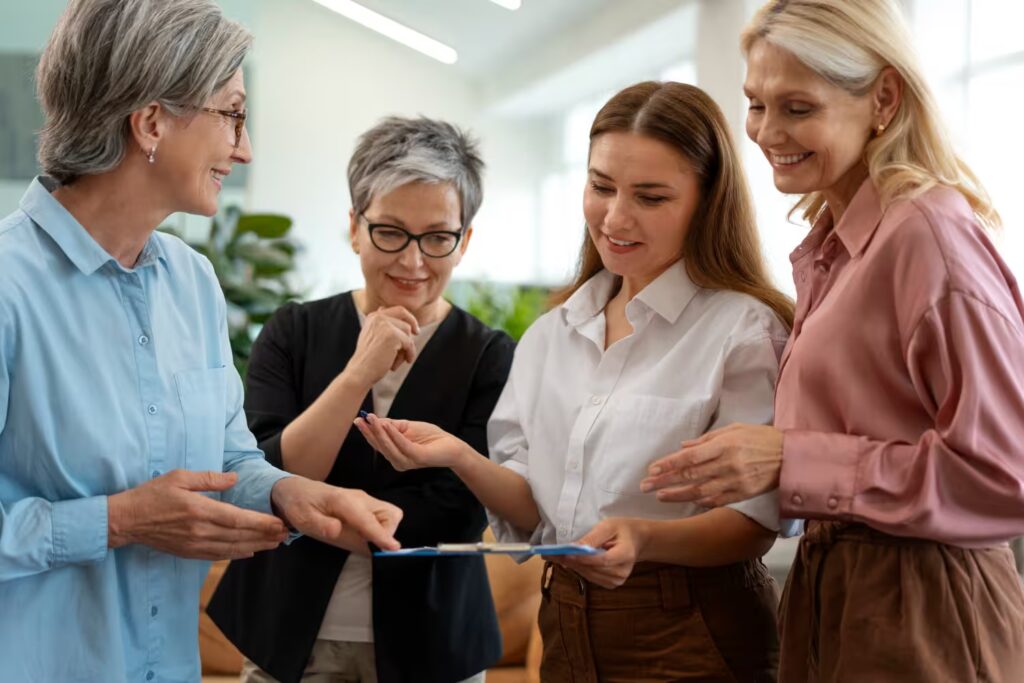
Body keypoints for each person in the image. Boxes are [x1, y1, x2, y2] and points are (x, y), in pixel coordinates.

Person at [0, 2, 402, 681]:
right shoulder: (10, 286)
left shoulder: (192, 283)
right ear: (152, 121)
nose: (244, 149)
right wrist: (117, 520)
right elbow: (137, 514)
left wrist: (288, 493)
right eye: (232, 114)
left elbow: (226, 457)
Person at [358, 81, 795, 683]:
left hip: (692, 630)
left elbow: (752, 521)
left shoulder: (742, 329)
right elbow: (537, 509)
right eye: (601, 186)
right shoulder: (553, 333)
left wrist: (645, 538)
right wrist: (459, 455)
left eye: (651, 197)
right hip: (564, 619)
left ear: (707, 201)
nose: (615, 217)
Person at [642, 1, 1024, 681]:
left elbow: (1005, 475)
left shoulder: (926, 237)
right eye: (756, 104)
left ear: (883, 97)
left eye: (797, 107)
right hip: (836, 594)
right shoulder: (834, 246)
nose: (765, 131)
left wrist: (793, 458)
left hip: (925, 604)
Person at [209, 116, 514, 683]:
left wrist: (327, 513)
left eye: (438, 237)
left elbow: (466, 508)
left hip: (433, 639)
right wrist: (356, 374)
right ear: (354, 227)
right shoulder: (292, 331)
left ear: (464, 240)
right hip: (290, 632)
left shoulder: (489, 354)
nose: (413, 261)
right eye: (390, 232)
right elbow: (266, 474)